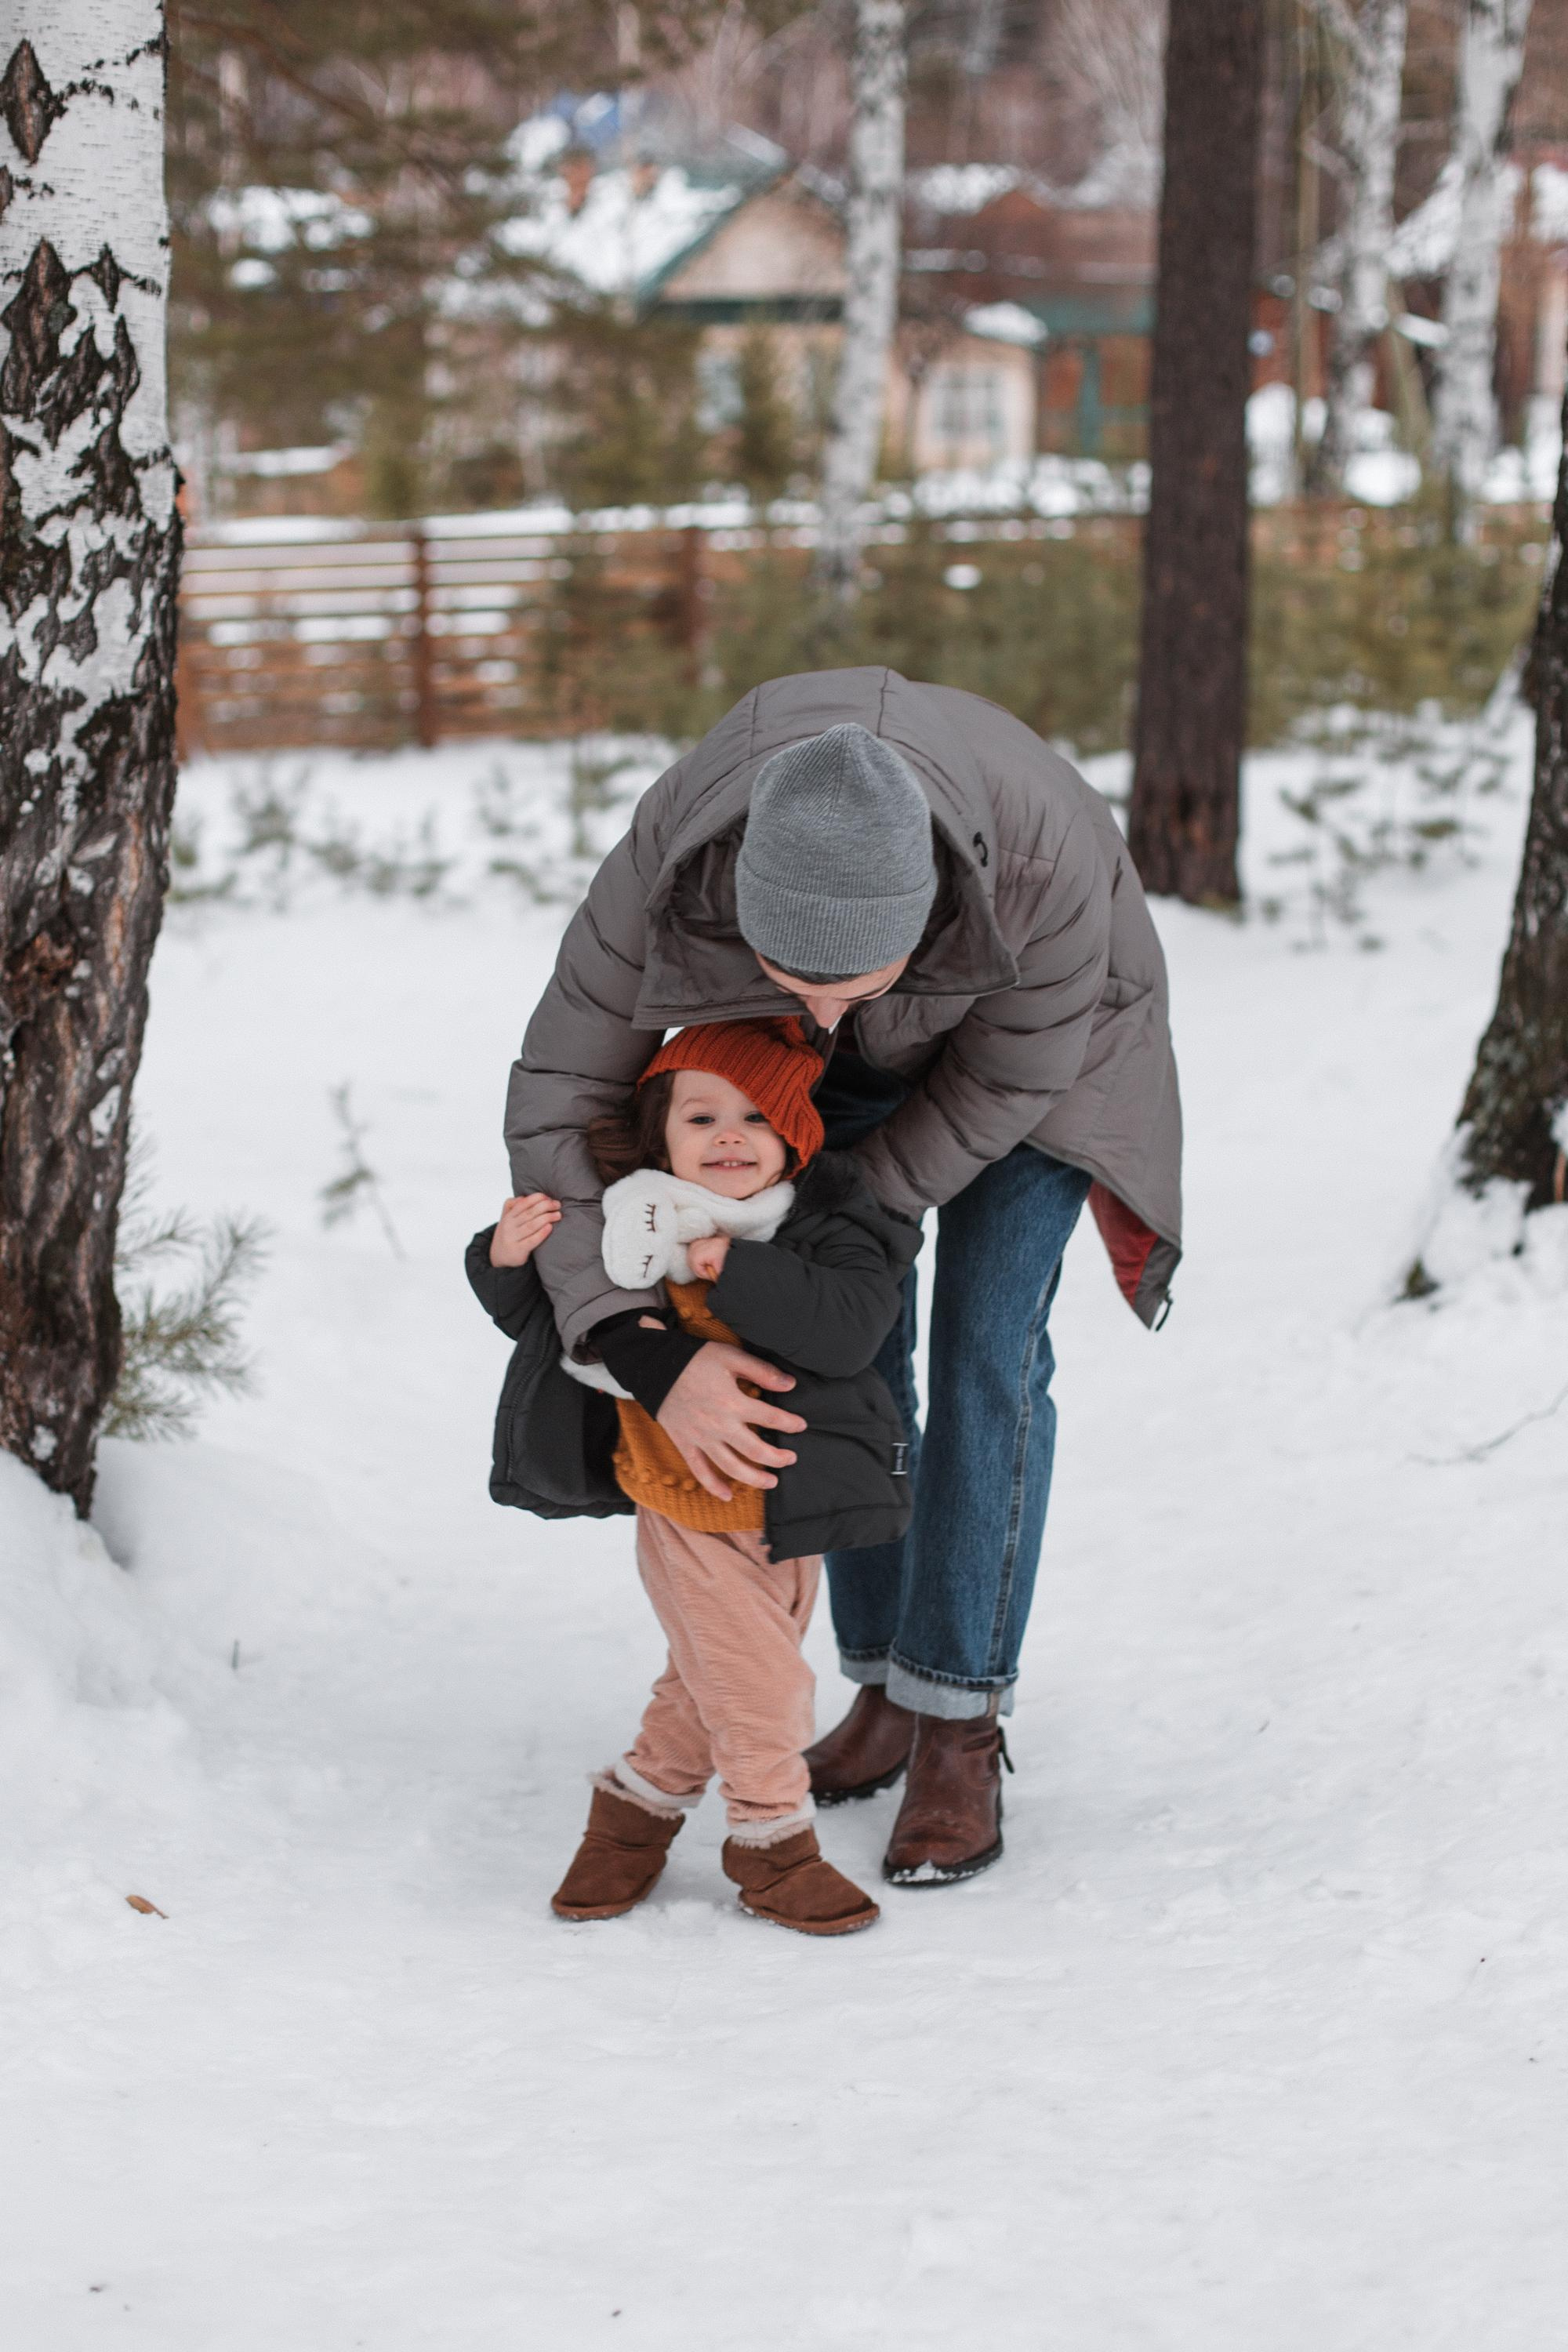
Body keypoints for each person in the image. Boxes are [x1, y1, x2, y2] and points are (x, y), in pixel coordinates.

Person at [505, 670, 1182, 1887]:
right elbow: (563, 1096)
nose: (816, 1005)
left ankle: (960, 1717)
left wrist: (852, 1215)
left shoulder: (1039, 868)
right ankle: (882, 1683)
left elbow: (1008, 1078)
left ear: (925, 922)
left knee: (985, 1351)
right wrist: (637, 1342)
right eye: (788, 973)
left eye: (848, 982)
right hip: (827, 1081)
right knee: (841, 1348)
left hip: (1049, 1063)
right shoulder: (674, 864)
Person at [472, 1016, 919, 1936]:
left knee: (705, 1675)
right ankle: (770, 1845)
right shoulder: (630, 1226)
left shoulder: (821, 1226)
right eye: (701, 1117)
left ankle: (632, 1814)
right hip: (684, 1502)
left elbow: (850, 1327)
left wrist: (738, 1268)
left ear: (793, 1138)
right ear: (659, 1136)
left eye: (756, 1118)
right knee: (763, 1689)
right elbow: (558, 1324)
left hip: (790, 1504)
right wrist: (502, 1259)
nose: (729, 1137)